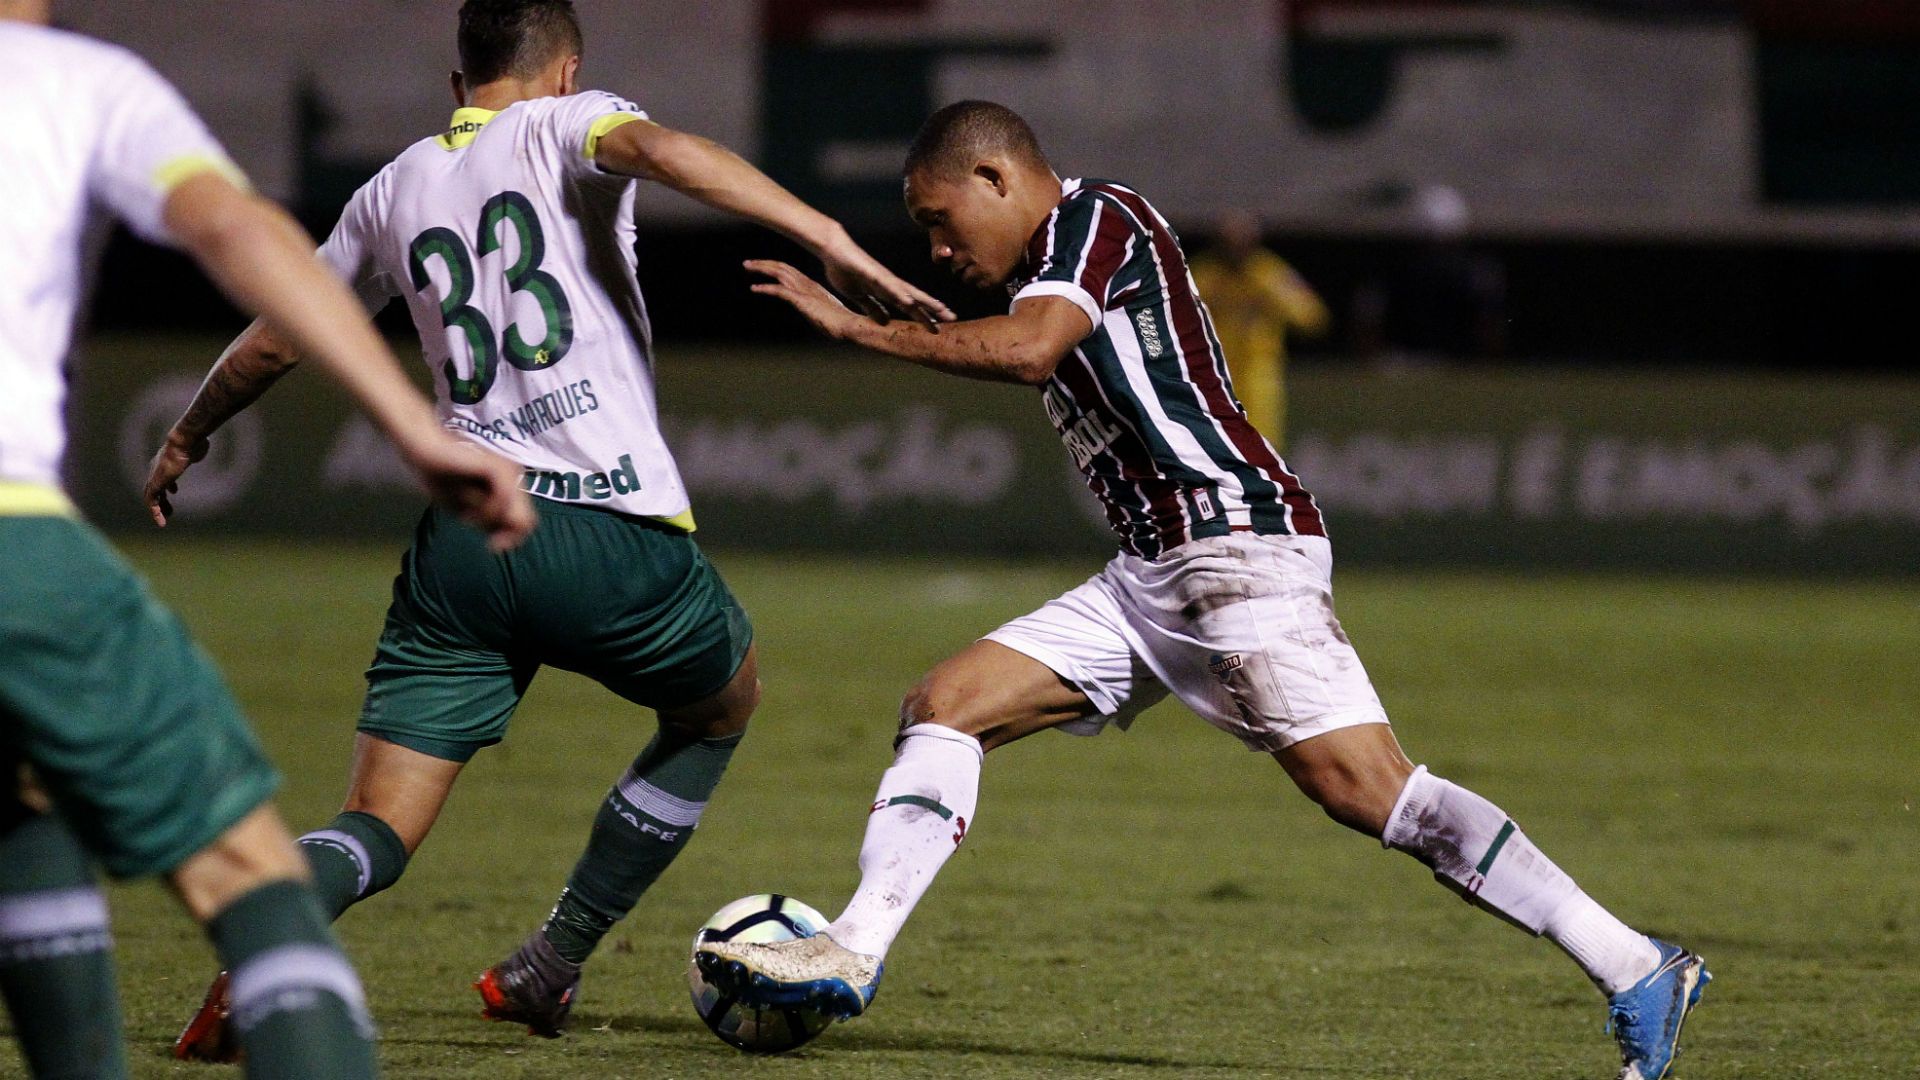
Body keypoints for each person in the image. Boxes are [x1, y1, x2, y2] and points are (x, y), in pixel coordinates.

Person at [694, 101, 1709, 1080]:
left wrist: (860, 332)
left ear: (997, 177)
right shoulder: (1046, 269)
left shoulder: (1097, 218)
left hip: (1232, 549)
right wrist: (907, 315)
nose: (937, 250)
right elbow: (1015, 334)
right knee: (945, 707)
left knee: (1365, 787)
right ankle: (854, 948)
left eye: (938, 220)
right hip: (1151, 571)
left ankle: (1634, 965)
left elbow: (1029, 347)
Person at [151, 0, 954, 1058]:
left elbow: (279, 334)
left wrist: (187, 431)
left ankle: (264, 942)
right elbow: (664, 150)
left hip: (466, 550)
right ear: (567, 71)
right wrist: (826, 234)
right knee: (722, 705)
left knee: (378, 827)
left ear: (457, 86)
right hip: (607, 523)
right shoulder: (568, 125)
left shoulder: (391, 188)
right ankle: (551, 960)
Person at [0, 2, 535, 1077]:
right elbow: (235, 227)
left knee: (24, 808)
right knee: (248, 877)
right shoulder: (72, 81)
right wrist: (408, 423)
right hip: (15, 552)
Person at [1188, 209, 1329, 448]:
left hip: (1258, 380)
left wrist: (1272, 297)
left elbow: (1313, 318)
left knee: (1260, 456)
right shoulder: (1203, 275)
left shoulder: (1269, 274)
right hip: (1208, 380)